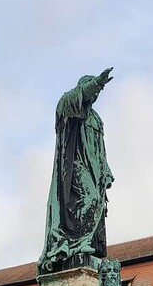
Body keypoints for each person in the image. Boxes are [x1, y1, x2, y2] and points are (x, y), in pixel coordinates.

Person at [38, 68, 114, 274]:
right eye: (92, 92)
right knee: (86, 199)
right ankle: (76, 243)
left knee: (96, 203)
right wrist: (97, 83)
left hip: (95, 168)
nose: (95, 97)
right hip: (75, 164)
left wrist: (106, 169)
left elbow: (101, 147)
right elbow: (76, 98)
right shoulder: (67, 105)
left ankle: (85, 244)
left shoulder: (96, 118)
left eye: (97, 95)